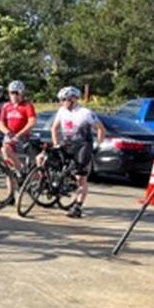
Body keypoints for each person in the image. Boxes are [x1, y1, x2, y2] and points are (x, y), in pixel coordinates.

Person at [50, 86, 105, 218]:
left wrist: (98, 144)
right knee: (46, 159)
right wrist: (56, 144)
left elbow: (101, 129)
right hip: (67, 143)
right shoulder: (61, 111)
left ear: (73, 99)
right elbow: (54, 128)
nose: (62, 102)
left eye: (64, 99)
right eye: (61, 100)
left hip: (82, 145)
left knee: (81, 178)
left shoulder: (85, 113)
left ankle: (78, 206)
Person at [0, 80, 36, 180]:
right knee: (5, 154)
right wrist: (7, 131)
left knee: (33, 169)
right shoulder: (6, 106)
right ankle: (18, 173)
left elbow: (32, 122)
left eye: (17, 93)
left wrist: (19, 134)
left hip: (23, 137)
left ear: (22, 93)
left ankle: (22, 171)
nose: (14, 95)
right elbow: (1, 123)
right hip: (9, 136)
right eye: (12, 93)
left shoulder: (27, 105)